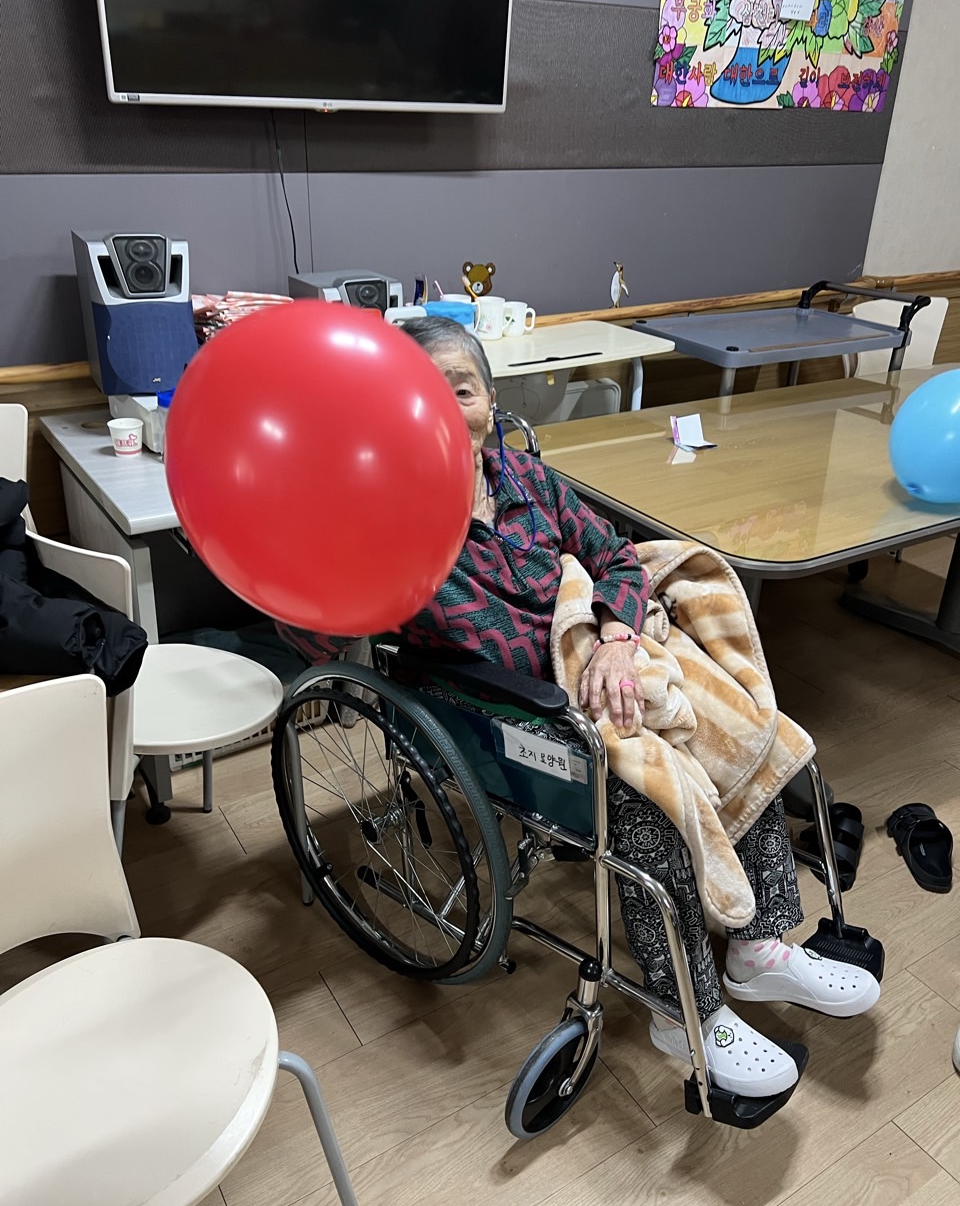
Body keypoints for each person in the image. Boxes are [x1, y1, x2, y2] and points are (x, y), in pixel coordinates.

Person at [278, 317, 880, 1099]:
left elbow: (613, 555)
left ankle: (758, 949)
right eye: (419, 393)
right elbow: (322, 632)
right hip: (508, 715)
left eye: (461, 389)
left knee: (744, 728)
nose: (443, 408)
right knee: (644, 791)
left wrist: (617, 639)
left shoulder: (528, 481)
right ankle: (683, 1010)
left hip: (607, 661)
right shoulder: (384, 522)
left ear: (490, 402)